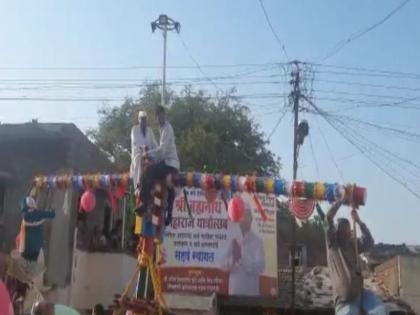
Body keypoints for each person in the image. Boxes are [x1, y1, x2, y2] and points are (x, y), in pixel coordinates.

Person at [324, 198, 385, 315]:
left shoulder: (353, 244)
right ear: (336, 231)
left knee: (379, 310)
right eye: (342, 230)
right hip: (345, 300)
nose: (345, 233)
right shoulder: (333, 246)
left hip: (360, 294)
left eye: (347, 230)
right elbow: (328, 218)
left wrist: (358, 221)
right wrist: (341, 200)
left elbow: (369, 241)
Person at [136, 106, 179, 221]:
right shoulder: (162, 129)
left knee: (148, 172)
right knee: (166, 185)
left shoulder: (167, 129)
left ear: (164, 115)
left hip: (170, 164)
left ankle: (145, 204)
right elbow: (160, 150)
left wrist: (147, 154)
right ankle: (167, 214)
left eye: (160, 115)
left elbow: (162, 151)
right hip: (168, 163)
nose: (159, 118)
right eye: (157, 116)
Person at [222, 206, 265, 296]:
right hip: (235, 291)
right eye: (242, 216)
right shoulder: (231, 239)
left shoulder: (257, 241)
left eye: (247, 216)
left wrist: (242, 257)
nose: (244, 219)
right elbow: (223, 265)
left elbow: (261, 267)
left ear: (251, 219)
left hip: (251, 292)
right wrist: (232, 261)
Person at [19, 197, 55, 262]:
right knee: (33, 264)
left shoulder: (24, 216)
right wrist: (52, 209)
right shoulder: (39, 214)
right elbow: (52, 214)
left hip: (25, 247)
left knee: (25, 266)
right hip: (36, 248)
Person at [130, 110, 158, 189]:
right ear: (139, 120)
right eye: (142, 119)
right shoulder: (134, 129)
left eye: (145, 119)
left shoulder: (149, 130)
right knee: (139, 160)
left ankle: (157, 189)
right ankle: (138, 186)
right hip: (138, 153)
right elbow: (135, 142)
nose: (143, 121)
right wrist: (143, 148)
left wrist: (160, 150)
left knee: (159, 161)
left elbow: (154, 143)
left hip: (149, 154)